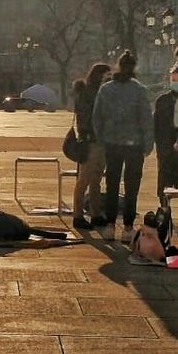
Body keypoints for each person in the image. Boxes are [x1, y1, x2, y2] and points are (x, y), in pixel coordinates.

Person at [91, 50, 153, 242]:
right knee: (132, 185)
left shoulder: (106, 89)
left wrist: (102, 138)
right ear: (134, 67)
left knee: (111, 183)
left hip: (112, 142)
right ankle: (127, 227)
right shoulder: (140, 90)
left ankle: (110, 225)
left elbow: (97, 117)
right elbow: (146, 119)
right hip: (134, 143)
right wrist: (148, 143)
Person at [70, 63, 110, 232]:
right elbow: (85, 117)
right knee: (84, 179)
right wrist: (86, 133)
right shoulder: (88, 93)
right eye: (107, 75)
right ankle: (78, 215)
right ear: (99, 75)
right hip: (91, 141)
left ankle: (95, 214)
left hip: (101, 141)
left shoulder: (103, 92)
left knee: (96, 179)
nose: (109, 78)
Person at [152, 67, 178, 198]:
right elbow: (156, 125)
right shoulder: (162, 100)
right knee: (164, 180)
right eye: (174, 80)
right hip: (166, 147)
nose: (176, 82)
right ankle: (164, 207)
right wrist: (159, 146)